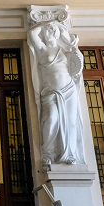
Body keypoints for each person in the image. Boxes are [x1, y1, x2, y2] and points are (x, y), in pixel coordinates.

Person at [28, 20, 86, 168]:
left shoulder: (66, 50)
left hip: (68, 90)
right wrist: (49, 22)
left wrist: (57, 26)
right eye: (48, 30)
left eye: (53, 30)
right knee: (52, 119)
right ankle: (48, 154)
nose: (51, 32)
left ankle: (69, 154)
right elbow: (32, 33)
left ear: (58, 33)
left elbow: (77, 63)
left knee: (70, 122)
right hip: (51, 92)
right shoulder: (42, 49)